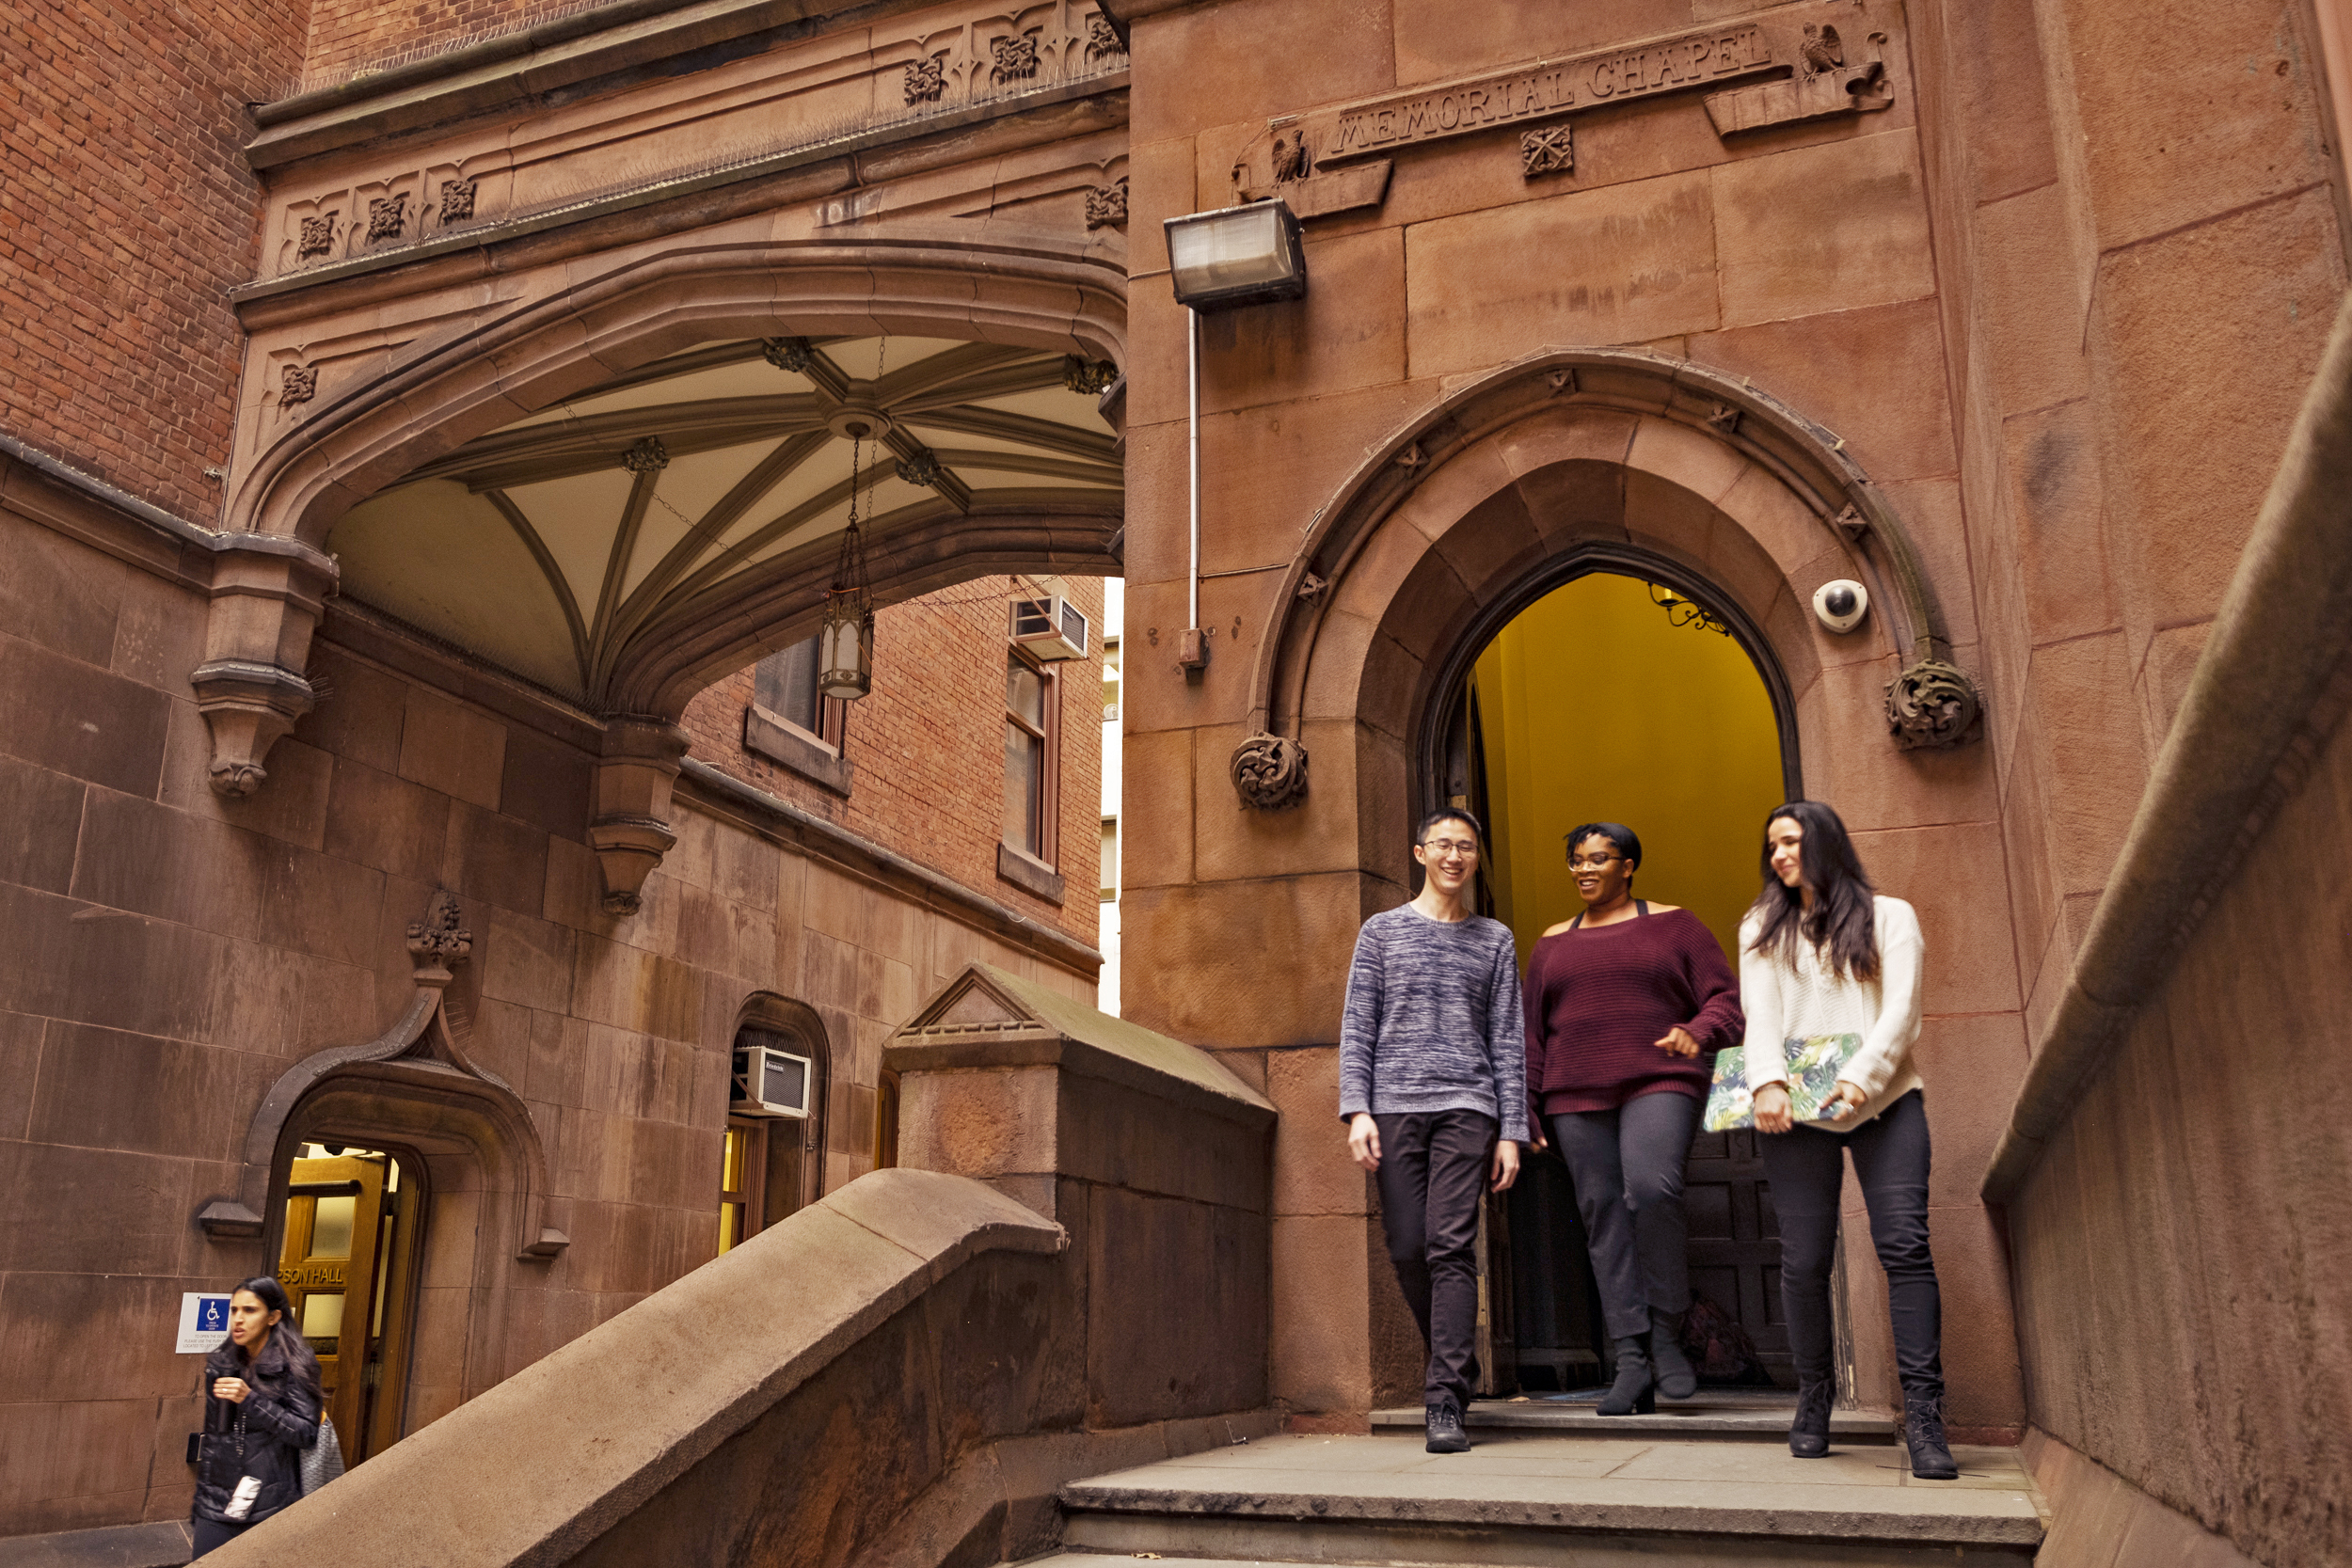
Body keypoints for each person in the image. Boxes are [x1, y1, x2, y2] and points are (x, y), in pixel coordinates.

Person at [1739, 800, 1956, 1480]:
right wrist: (1767, 1083)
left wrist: (1862, 1077)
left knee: (1905, 1246)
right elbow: (1760, 1013)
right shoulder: (1761, 927)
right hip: (1795, 1111)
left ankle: (1924, 1414)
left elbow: (1903, 1010)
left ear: (1825, 841)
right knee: (1804, 1259)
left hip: (1885, 1101)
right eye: (1773, 846)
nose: (1779, 855)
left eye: (1791, 841)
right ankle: (1814, 1396)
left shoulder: (1891, 916)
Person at [1523, 822, 1742, 1415]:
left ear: (1628, 866)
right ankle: (1631, 1357)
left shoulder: (1677, 925)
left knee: (1651, 1190)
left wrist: (1697, 1031)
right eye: (1576, 860)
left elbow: (1725, 1001)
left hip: (1659, 1077)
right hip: (1573, 1092)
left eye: (1599, 858)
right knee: (1603, 1215)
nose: (1584, 869)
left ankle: (1667, 1331)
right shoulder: (1551, 944)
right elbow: (1532, 1034)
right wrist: (1525, 1107)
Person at [1341, 806, 1528, 1455]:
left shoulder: (1494, 939)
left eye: (1466, 847)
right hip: (1393, 1105)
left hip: (1467, 1107)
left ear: (1475, 858)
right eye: (1443, 844)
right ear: (1420, 852)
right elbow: (1358, 1025)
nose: (1454, 856)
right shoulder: (1381, 932)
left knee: (1450, 1245)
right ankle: (1456, 1359)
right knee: (1406, 1246)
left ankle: (1444, 1397)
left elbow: (1507, 1039)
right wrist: (1357, 1109)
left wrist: (1512, 1129)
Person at [191, 1276, 323, 1555]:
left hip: (270, 1504)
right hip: (216, 1504)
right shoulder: (222, 1362)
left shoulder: (296, 1363)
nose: (238, 1319)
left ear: (273, 1317)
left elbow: (306, 1434)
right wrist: (200, 1504)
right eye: (234, 1310)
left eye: (249, 1310)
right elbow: (213, 1440)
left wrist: (250, 1399)